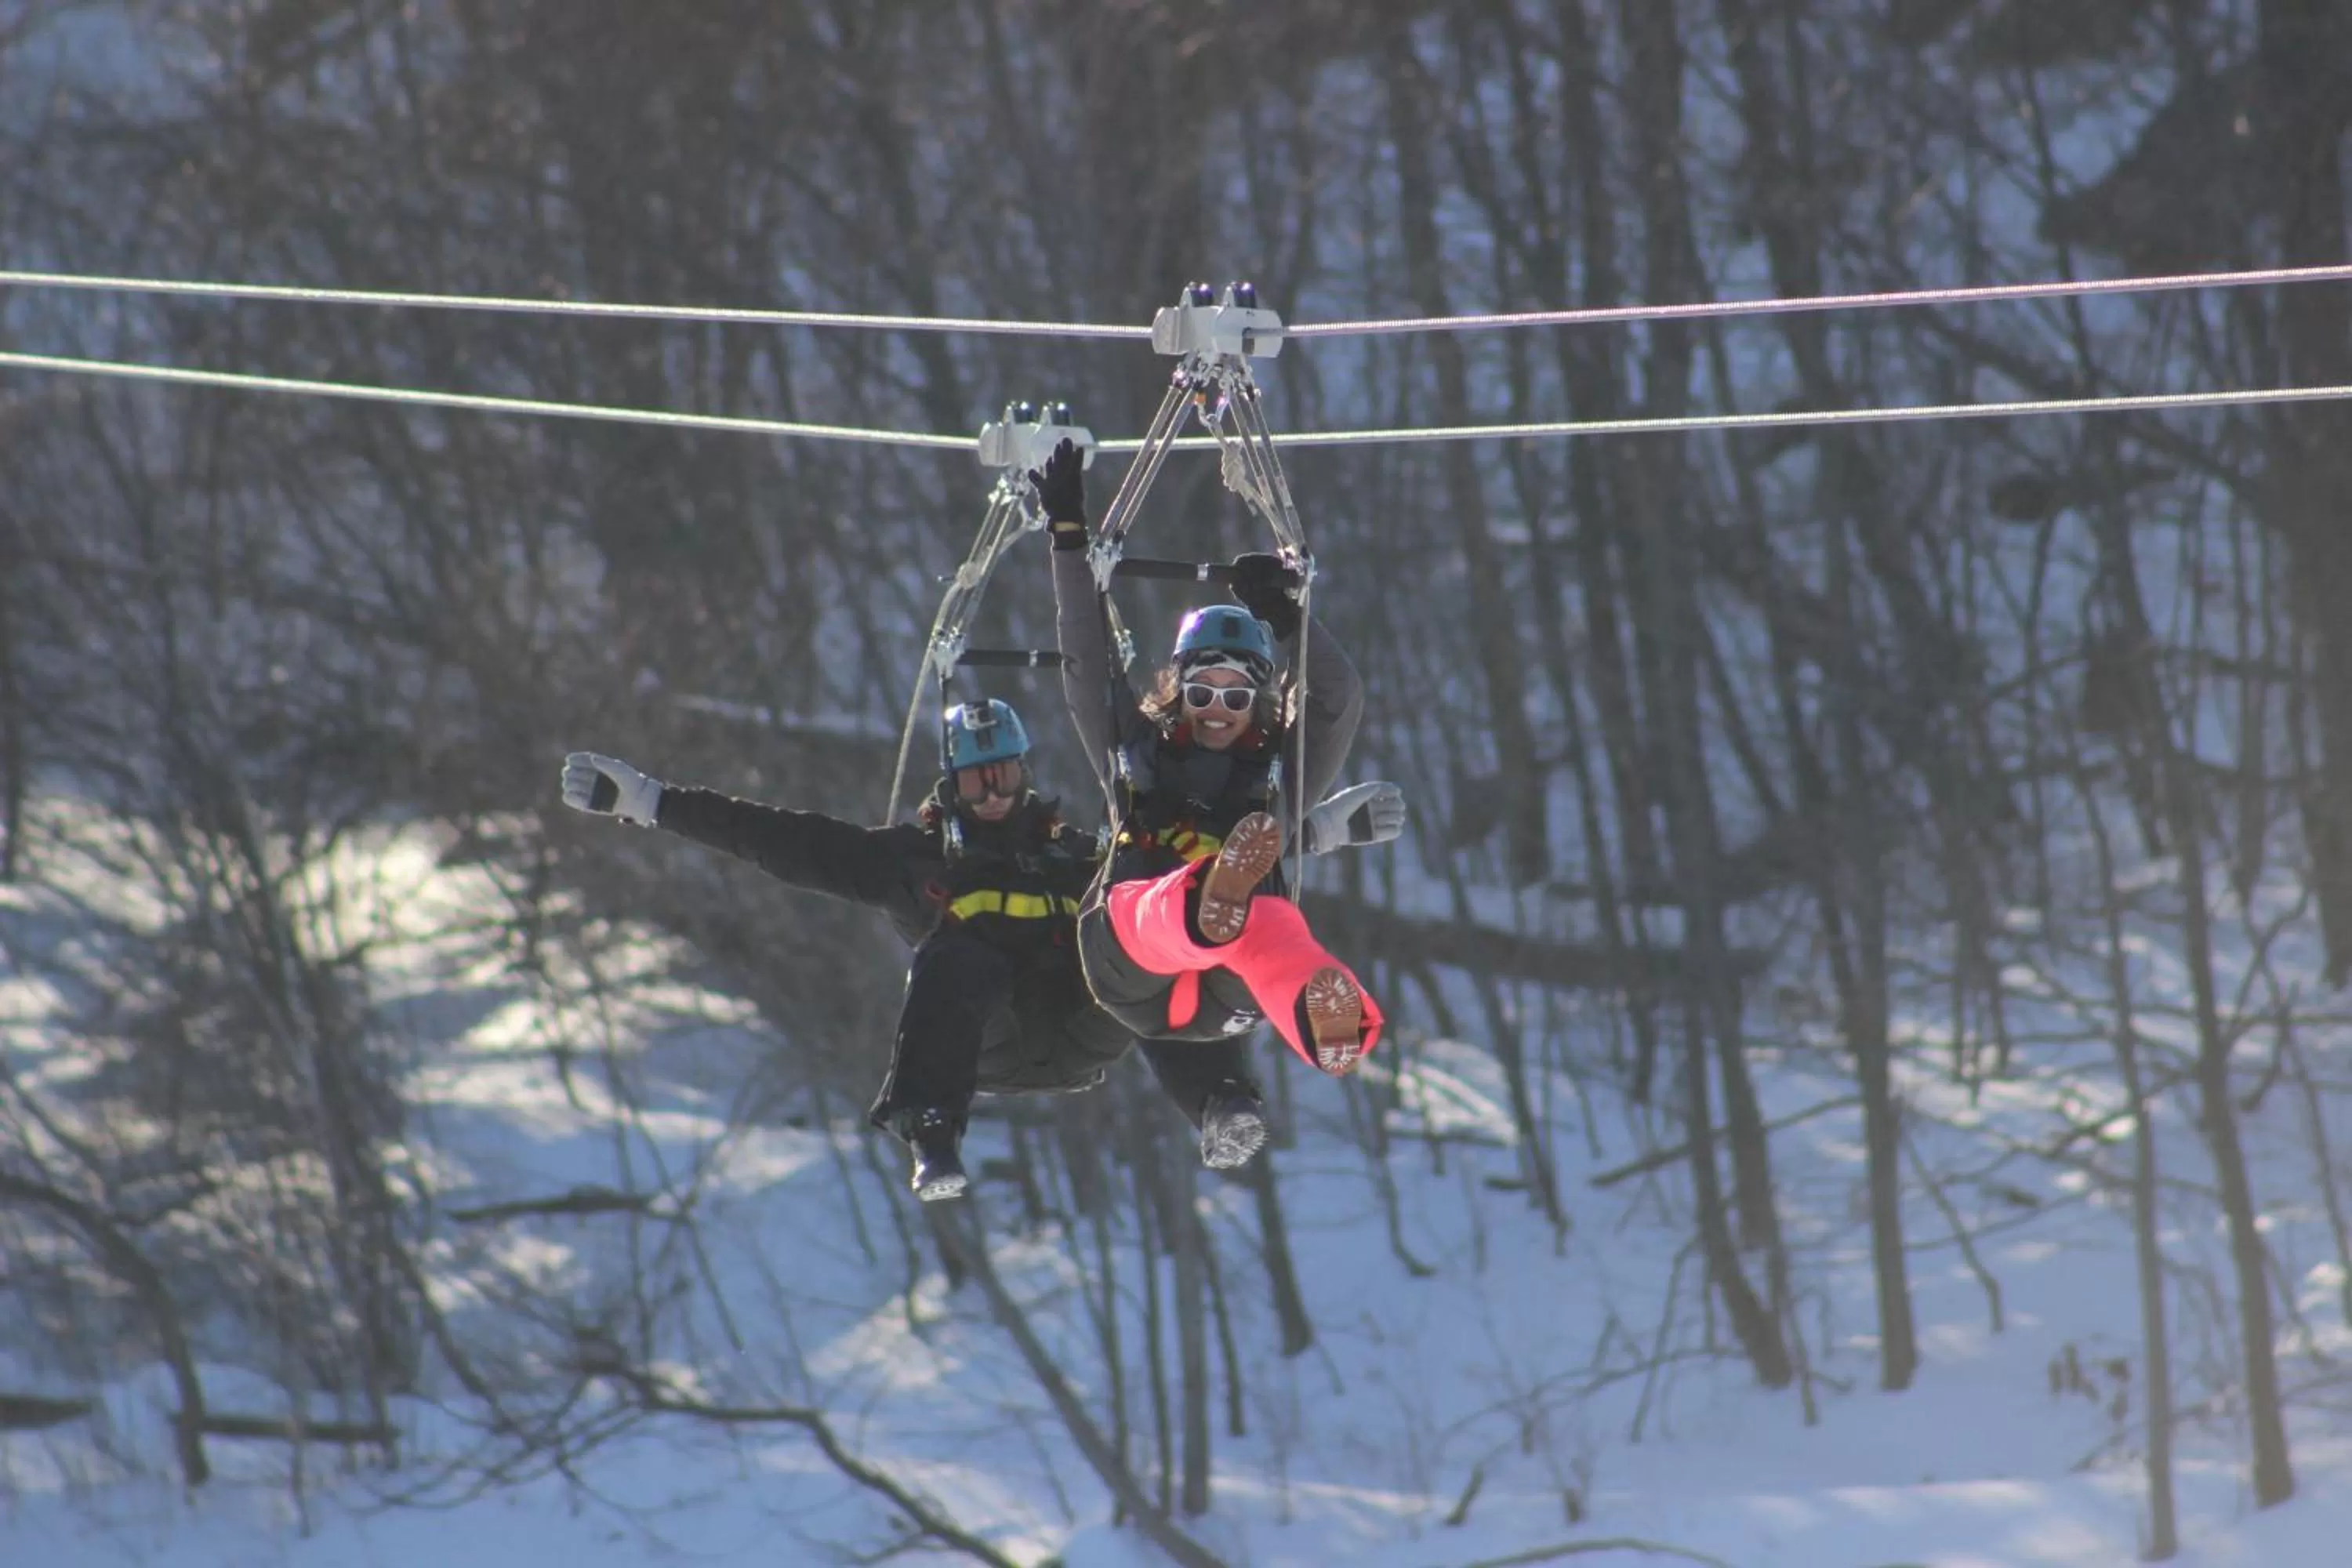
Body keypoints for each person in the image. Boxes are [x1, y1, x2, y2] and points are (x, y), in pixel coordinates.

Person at [560, 699, 1386, 1200]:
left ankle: (1221, 1103)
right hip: (988, 1038)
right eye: (976, 779)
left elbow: (1195, 868)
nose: (994, 793)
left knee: (1164, 931)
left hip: (1087, 1023)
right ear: (951, 784)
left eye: (1005, 775)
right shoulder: (918, 863)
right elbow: (783, 840)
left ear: (1025, 773)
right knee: (958, 957)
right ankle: (930, 1127)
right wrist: (650, 801)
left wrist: (1322, 828)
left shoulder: (1078, 855)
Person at [1038, 439, 1398, 1078]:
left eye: (1235, 696)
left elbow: (1338, 699)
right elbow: (1086, 663)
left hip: (1226, 993)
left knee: (1272, 927)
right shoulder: (1136, 748)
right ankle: (1206, 897)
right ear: (1178, 693)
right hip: (1130, 964)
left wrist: (1288, 618)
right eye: (1201, 692)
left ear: (1258, 700)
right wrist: (1068, 541)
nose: (1216, 709)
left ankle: (1333, 1026)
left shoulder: (1278, 774)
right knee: (1147, 904)